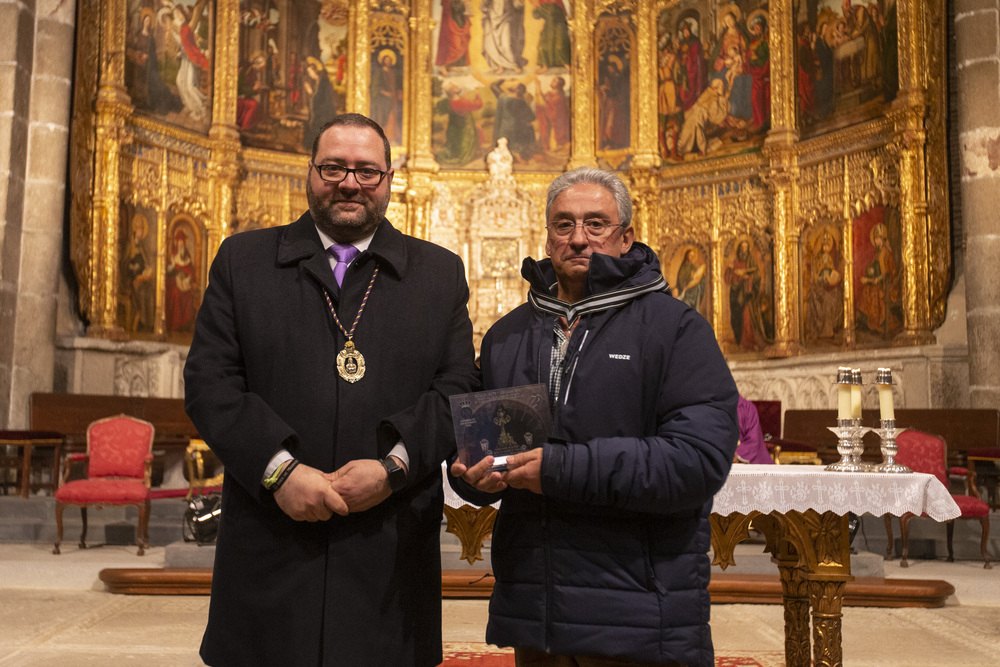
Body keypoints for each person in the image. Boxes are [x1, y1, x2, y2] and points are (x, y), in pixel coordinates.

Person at [184, 113, 478, 666]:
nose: (350, 182)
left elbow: (457, 389)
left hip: (389, 550)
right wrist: (279, 471)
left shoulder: (438, 274)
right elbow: (209, 382)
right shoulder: (243, 261)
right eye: (334, 168)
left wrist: (393, 468)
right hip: (272, 538)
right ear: (310, 173)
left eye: (367, 171)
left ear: (391, 178)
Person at [450, 167, 739, 667]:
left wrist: (559, 470)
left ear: (626, 237)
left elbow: (698, 462)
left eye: (595, 224)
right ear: (546, 237)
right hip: (535, 609)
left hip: (640, 608)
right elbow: (486, 448)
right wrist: (475, 478)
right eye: (563, 225)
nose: (578, 238)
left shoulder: (675, 329)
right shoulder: (508, 335)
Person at [735, 395, 773, 464]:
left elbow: (753, 439)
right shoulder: (711, 408)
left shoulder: (746, 407)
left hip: (753, 465)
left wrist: (737, 455)